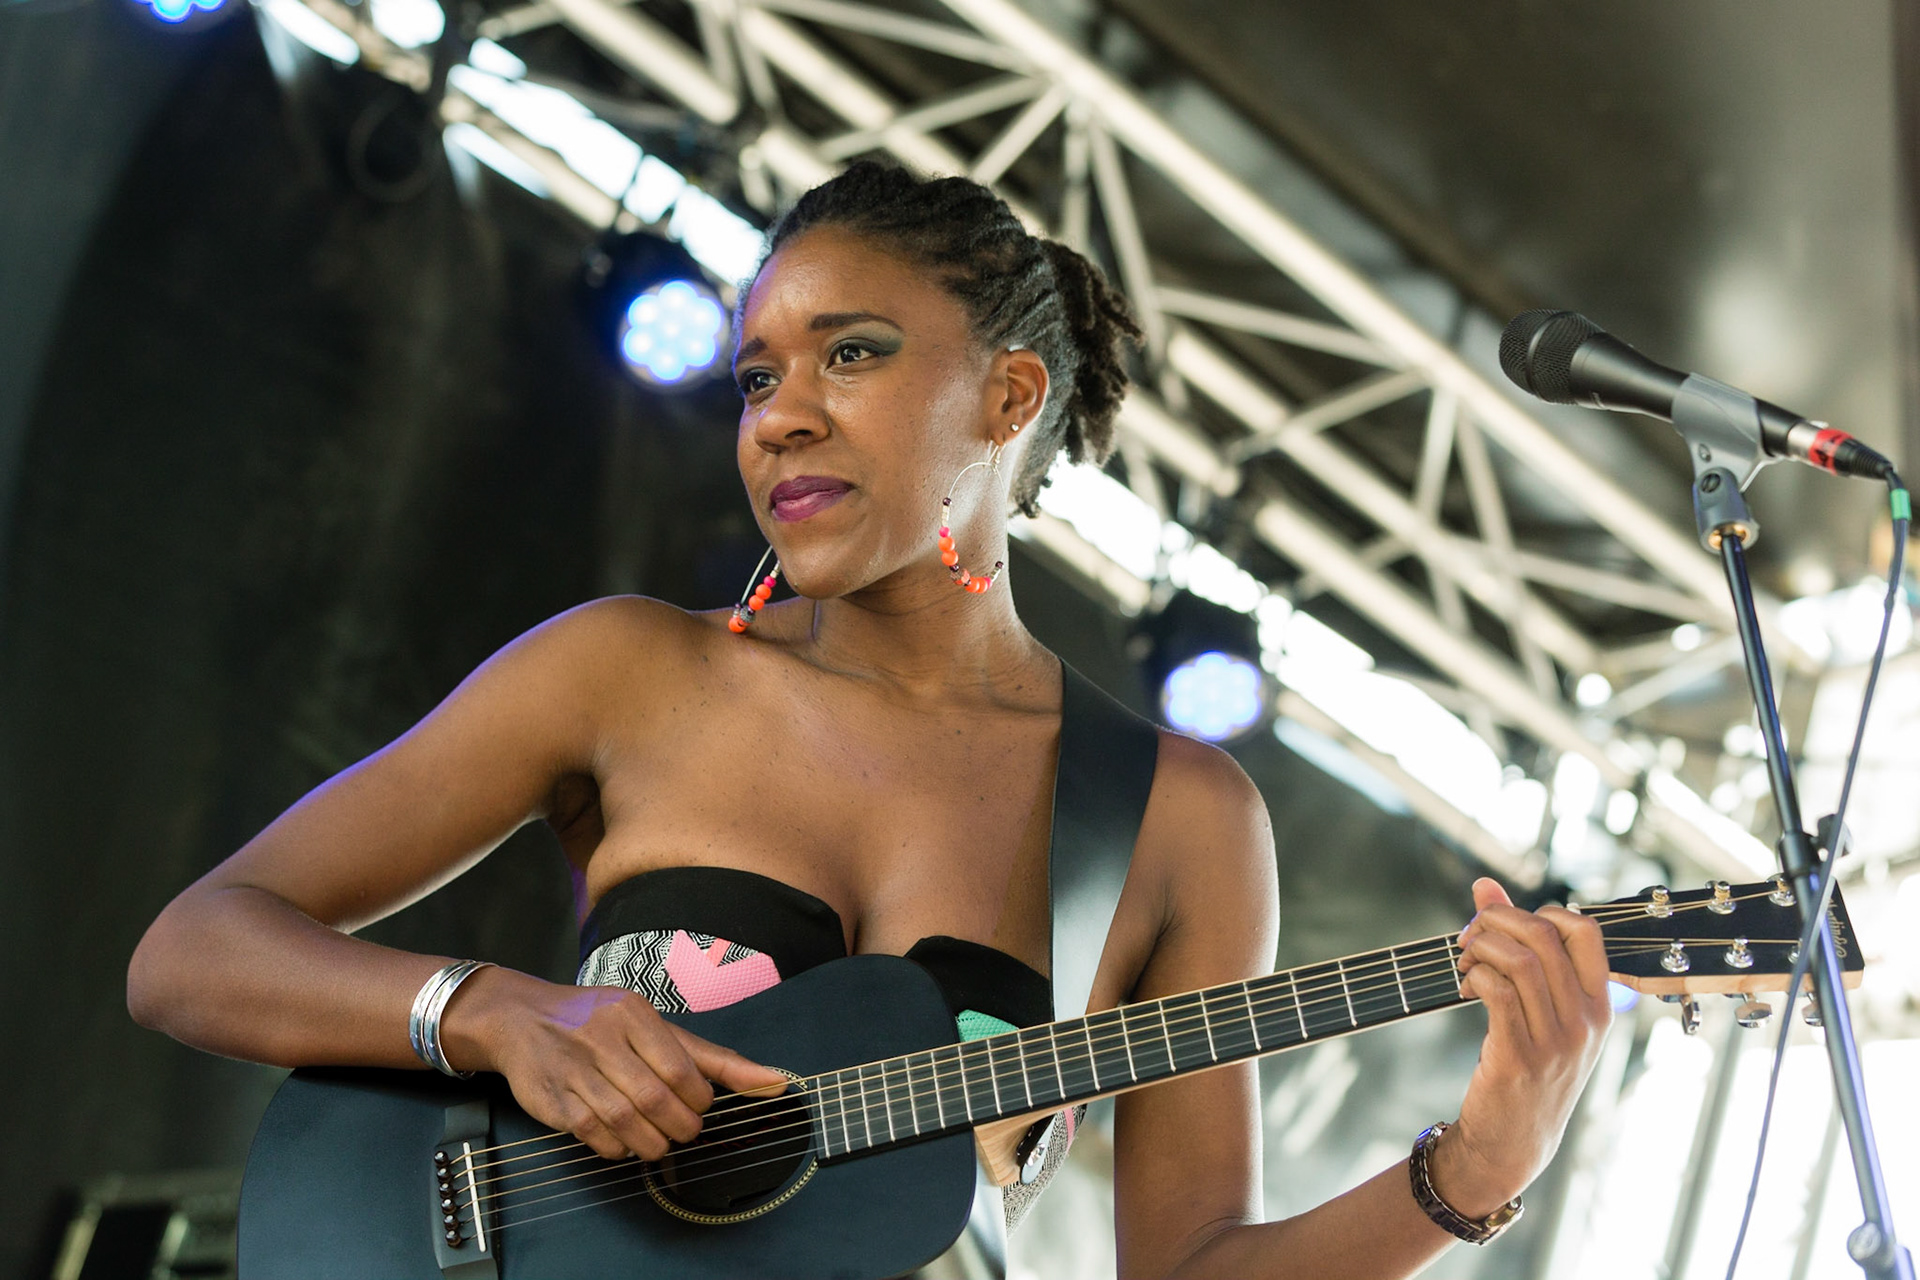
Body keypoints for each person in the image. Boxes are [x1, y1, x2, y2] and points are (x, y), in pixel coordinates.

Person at [127, 160, 1611, 1278]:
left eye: (851, 354)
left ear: (1009, 394)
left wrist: (1475, 1167)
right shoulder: (633, 673)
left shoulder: (1175, 819)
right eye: (756, 375)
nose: (778, 415)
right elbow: (193, 952)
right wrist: (496, 1010)